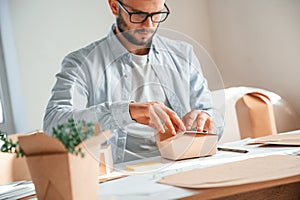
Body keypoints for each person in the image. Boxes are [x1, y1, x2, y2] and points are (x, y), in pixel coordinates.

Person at [43, 0, 224, 162]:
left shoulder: (183, 55)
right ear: (114, 6)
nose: (149, 25)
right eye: (139, 15)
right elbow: (54, 129)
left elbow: (212, 114)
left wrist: (208, 120)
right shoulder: (82, 64)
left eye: (157, 14)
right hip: (120, 179)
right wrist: (127, 112)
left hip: (184, 166)